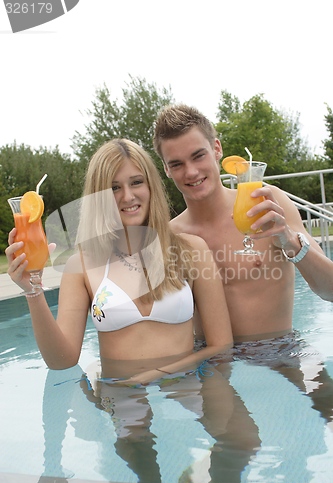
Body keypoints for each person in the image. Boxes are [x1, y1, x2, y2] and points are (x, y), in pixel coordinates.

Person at [6, 137, 233, 381]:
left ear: (151, 187)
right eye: (114, 188)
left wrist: (154, 375)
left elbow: (221, 345)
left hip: (185, 391)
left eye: (136, 182)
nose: (128, 196)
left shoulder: (192, 250)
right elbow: (62, 361)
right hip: (121, 398)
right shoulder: (81, 266)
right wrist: (33, 292)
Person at [153, 104, 333, 343]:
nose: (192, 172)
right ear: (166, 168)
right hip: (212, 363)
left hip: (277, 356)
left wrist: (291, 242)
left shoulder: (269, 203)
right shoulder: (171, 236)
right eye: (177, 164)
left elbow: (328, 291)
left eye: (198, 156)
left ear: (216, 149)